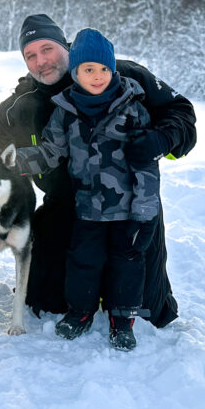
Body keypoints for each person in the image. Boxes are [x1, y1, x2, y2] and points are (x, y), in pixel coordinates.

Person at [0, 13, 197, 328]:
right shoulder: (19, 106)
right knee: (45, 299)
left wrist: (162, 139)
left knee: (147, 307)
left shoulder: (120, 74)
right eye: (31, 55)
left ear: (64, 45)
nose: (41, 61)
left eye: (47, 49)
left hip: (131, 204)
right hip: (68, 207)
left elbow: (180, 109)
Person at [16, 28, 163, 351]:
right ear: (75, 72)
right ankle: (80, 312)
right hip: (88, 208)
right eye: (88, 70)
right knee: (84, 261)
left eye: (103, 69)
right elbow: (50, 151)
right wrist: (17, 161)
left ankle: (122, 320)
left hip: (128, 209)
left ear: (112, 71)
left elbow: (146, 166)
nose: (97, 77)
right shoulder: (65, 111)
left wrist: (145, 211)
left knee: (127, 263)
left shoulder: (132, 108)